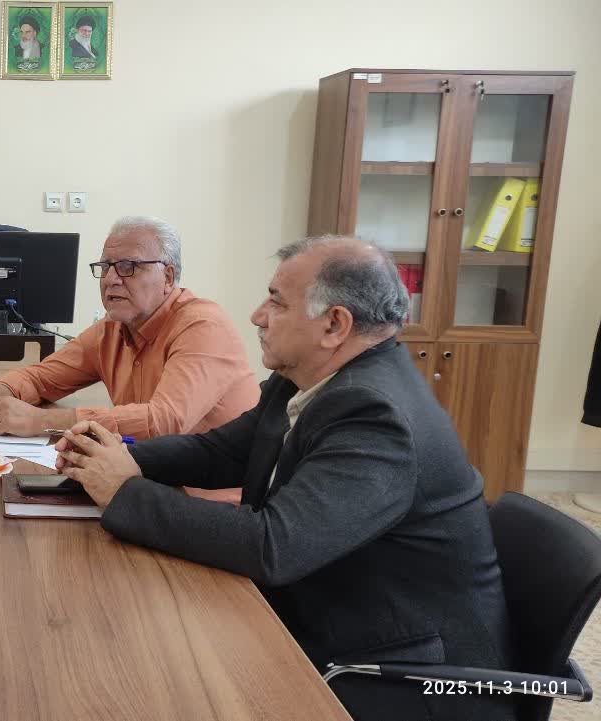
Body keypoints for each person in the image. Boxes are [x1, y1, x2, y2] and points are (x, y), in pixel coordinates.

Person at [55, 236, 516, 721]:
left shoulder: (377, 415)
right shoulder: (306, 379)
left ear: (334, 325)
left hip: (404, 678)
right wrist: (117, 457)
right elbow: (220, 452)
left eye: (276, 302)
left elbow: (274, 546)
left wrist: (124, 491)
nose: (257, 316)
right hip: (326, 617)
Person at [0, 216, 257, 502]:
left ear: (167, 276)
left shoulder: (203, 326)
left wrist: (40, 421)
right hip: (141, 487)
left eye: (128, 267)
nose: (111, 279)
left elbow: (164, 421)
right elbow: (43, 377)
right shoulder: (112, 328)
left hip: (207, 507)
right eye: (105, 267)